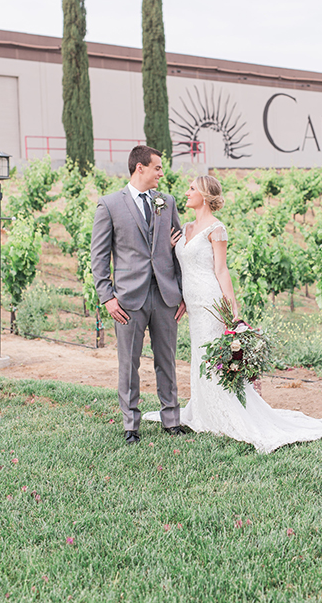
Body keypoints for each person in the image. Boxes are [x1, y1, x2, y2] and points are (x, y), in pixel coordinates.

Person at [144, 175, 322, 454]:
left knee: (213, 358)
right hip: (193, 303)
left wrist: (232, 308)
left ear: (205, 196)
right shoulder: (185, 228)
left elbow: (221, 270)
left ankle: (226, 412)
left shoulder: (216, 229)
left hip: (210, 300)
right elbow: (179, 265)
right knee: (199, 355)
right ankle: (203, 410)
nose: (186, 193)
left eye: (192, 189)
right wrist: (173, 250)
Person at [91, 145, 186, 443]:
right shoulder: (109, 205)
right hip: (128, 299)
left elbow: (179, 250)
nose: (161, 173)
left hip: (165, 295)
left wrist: (182, 292)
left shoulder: (166, 202)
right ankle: (130, 425)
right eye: (157, 167)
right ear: (139, 168)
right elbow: (99, 256)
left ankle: (171, 420)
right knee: (129, 363)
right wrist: (107, 296)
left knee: (167, 360)